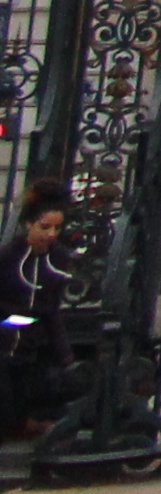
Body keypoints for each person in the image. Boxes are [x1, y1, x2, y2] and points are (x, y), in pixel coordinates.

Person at [3, 183, 77, 435]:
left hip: (32, 346)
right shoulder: (9, 256)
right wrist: (17, 319)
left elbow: (52, 309)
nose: (51, 234)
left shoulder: (58, 258)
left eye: (56, 228)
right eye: (44, 227)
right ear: (28, 225)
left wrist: (64, 353)